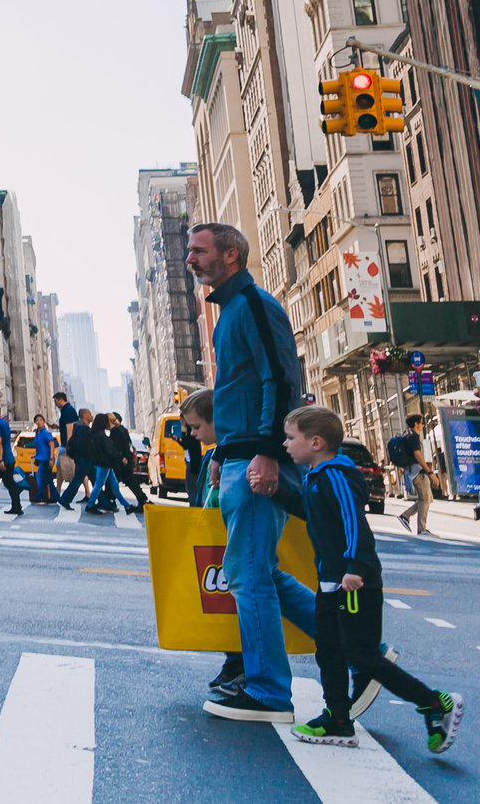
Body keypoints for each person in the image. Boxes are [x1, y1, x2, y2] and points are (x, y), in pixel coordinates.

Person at [190, 219, 318, 724]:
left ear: (232, 257)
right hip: (241, 458)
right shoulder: (230, 313)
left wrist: (266, 452)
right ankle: (358, 648)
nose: (191, 260)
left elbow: (282, 379)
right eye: (189, 252)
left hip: (257, 463)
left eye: (200, 251)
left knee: (249, 577)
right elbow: (239, 393)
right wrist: (224, 452)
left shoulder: (256, 307)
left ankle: (268, 691)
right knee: (258, 573)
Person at [283, 405, 462, 752]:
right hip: (330, 582)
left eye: (291, 438)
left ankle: (435, 703)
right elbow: (310, 512)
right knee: (329, 651)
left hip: (354, 583)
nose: (286, 444)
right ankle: (338, 718)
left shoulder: (334, 475)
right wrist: (275, 491)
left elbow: (354, 524)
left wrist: (355, 567)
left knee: (362, 656)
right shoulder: (316, 477)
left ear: (316, 442)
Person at [180, 389, 243, 700]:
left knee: (236, 604)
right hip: (213, 542)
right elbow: (199, 497)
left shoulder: (234, 457)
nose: (192, 433)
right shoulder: (212, 456)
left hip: (230, 539)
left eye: (195, 427)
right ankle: (233, 661)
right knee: (220, 606)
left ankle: (240, 662)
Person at [387, 414, 434, 538]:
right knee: (424, 499)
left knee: (427, 499)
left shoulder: (409, 436)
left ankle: (406, 516)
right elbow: (418, 455)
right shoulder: (413, 437)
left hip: (414, 472)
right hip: (418, 473)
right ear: (416, 424)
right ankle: (421, 528)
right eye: (422, 422)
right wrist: (429, 472)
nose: (423, 425)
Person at [106, 413, 149, 514]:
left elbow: (118, 446)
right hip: (126, 459)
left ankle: (142, 500)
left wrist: (122, 457)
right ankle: (143, 500)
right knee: (127, 481)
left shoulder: (115, 431)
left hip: (121, 461)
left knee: (117, 480)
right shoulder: (122, 429)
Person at [59, 410, 98, 510]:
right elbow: (82, 445)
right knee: (78, 480)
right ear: (84, 416)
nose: (91, 416)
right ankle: (64, 499)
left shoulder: (80, 427)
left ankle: (103, 501)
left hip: (85, 459)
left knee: (95, 481)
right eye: (89, 414)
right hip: (84, 459)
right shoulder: (82, 428)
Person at [27, 414, 56, 500]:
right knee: (48, 480)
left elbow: (52, 445)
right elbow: (40, 445)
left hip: (46, 459)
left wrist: (51, 458)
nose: (39, 422)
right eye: (37, 420)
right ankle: (55, 498)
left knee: (40, 477)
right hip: (41, 458)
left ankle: (39, 496)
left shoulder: (45, 433)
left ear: (44, 422)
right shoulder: (37, 433)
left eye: (40, 420)